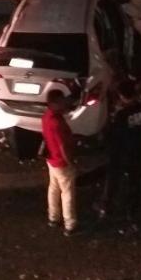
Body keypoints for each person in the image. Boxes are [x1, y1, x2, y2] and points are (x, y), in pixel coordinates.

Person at [98, 77, 141, 225]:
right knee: (134, 182)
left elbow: (111, 136)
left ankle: (106, 207)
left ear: (121, 96)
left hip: (120, 154)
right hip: (139, 151)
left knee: (112, 180)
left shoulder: (120, 115)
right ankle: (132, 211)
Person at [41, 88, 78, 235]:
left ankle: (53, 217)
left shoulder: (46, 117)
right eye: (61, 102)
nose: (64, 104)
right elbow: (64, 147)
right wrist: (72, 163)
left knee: (53, 189)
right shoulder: (57, 123)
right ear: (54, 103)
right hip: (62, 163)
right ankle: (70, 224)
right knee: (67, 193)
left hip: (51, 160)